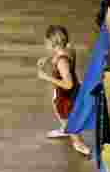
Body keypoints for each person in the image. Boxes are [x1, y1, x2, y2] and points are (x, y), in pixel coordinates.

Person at [38, 25, 91, 157]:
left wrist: (46, 77)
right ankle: (65, 129)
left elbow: (68, 84)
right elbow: (59, 54)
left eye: (47, 43)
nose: (45, 45)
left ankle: (78, 143)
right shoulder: (69, 48)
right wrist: (48, 59)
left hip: (67, 94)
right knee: (58, 108)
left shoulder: (62, 62)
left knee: (68, 115)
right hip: (64, 92)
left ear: (53, 44)